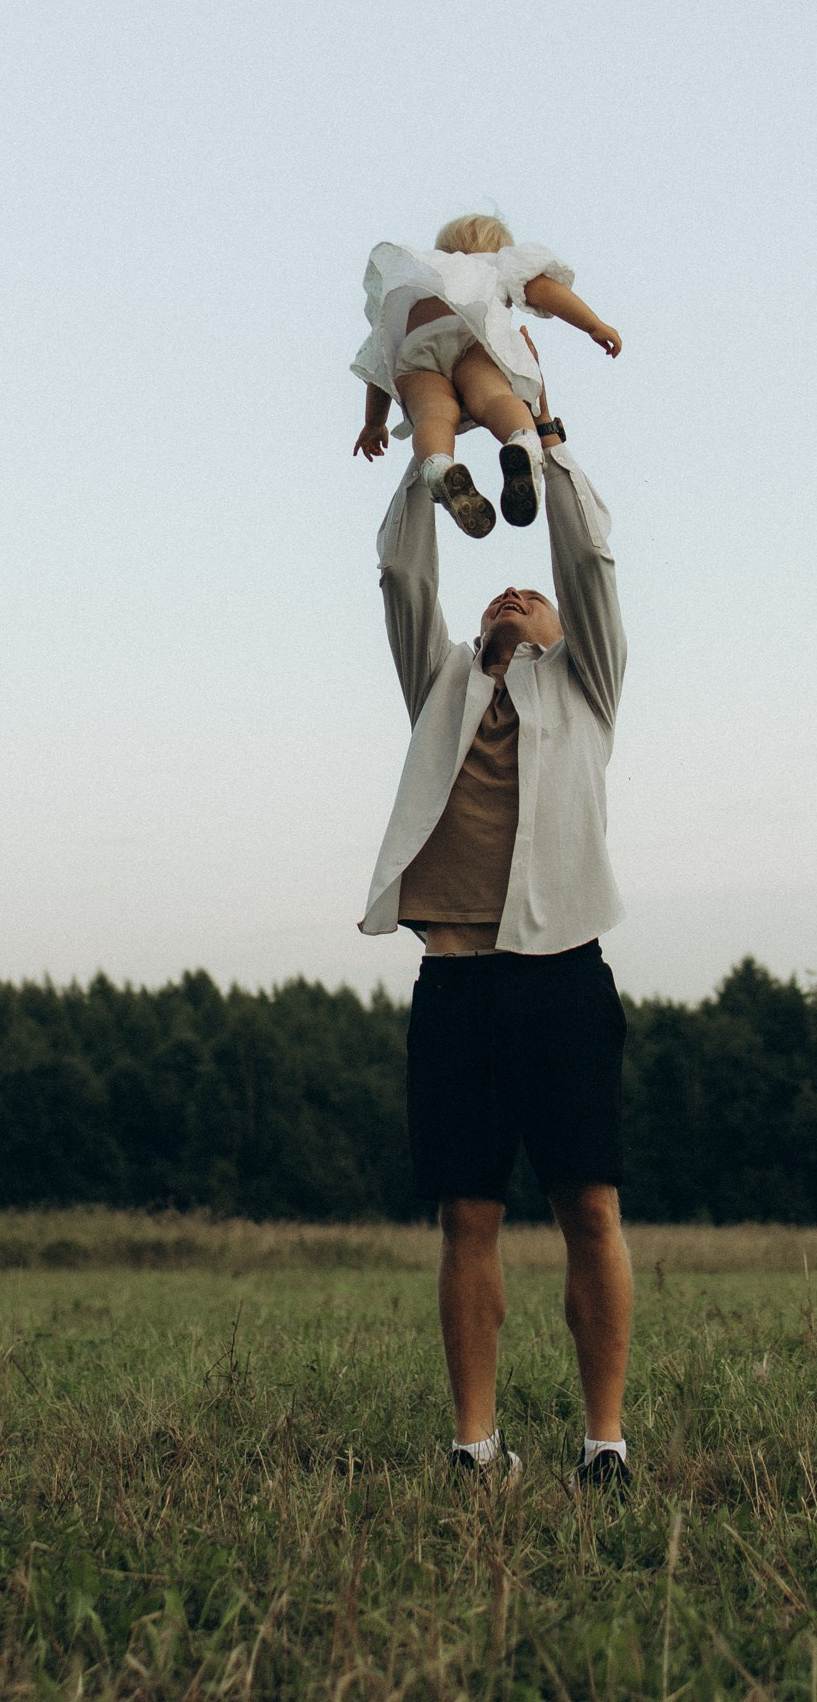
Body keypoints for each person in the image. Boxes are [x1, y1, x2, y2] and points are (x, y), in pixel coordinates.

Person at [358, 351, 633, 1492]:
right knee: (467, 1215)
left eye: (532, 590)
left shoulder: (585, 683)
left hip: (564, 977)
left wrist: (542, 448)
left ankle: (601, 1444)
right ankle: (475, 1447)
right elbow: (400, 576)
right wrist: (434, 470)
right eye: (497, 590)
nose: (511, 591)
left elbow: (591, 557)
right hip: (458, 984)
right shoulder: (439, 681)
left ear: (563, 621)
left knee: (588, 1206)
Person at [349, 213, 621, 537]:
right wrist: (593, 324)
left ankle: (438, 469)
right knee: (493, 397)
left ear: (446, 248)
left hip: (414, 351)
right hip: (472, 336)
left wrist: (374, 422)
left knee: (433, 415)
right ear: (497, 245)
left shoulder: (419, 271)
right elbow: (542, 289)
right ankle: (523, 443)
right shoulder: (497, 262)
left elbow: (382, 354)